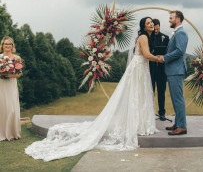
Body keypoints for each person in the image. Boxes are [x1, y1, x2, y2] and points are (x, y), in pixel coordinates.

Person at [25, 17, 159, 161]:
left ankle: (139, 123)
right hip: (139, 68)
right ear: (144, 27)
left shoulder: (145, 36)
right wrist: (159, 58)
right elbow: (146, 55)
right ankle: (138, 125)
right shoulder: (144, 37)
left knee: (138, 95)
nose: (151, 24)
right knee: (136, 96)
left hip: (140, 68)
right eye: (148, 23)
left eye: (152, 22)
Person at [157, 10, 188, 135]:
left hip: (176, 70)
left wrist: (164, 58)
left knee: (178, 99)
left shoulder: (181, 33)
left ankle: (182, 126)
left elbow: (180, 51)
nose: (169, 20)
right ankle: (178, 123)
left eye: (171, 18)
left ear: (178, 19)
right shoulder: (177, 33)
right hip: (173, 71)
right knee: (176, 99)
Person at [0, 36, 22, 141]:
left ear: (12, 46)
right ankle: (3, 134)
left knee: (12, 109)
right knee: (3, 108)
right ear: (2, 46)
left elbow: (18, 74)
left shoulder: (16, 58)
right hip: (1, 85)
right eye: (5, 44)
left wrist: (7, 75)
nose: (7, 46)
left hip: (11, 84)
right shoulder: (0, 58)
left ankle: (12, 133)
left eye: (9, 44)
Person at [149, 19, 169, 121]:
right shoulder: (148, 37)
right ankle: (149, 112)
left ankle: (162, 113)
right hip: (151, 68)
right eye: (155, 29)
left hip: (162, 69)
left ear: (159, 27)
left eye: (158, 29)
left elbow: (168, 52)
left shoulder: (165, 38)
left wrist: (162, 57)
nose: (156, 31)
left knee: (161, 91)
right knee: (150, 91)